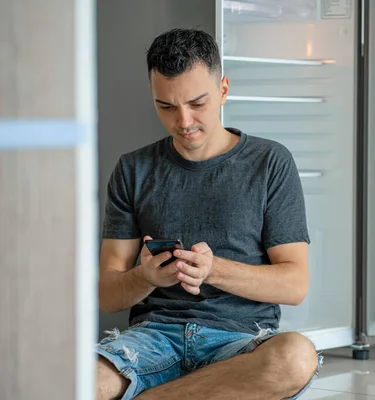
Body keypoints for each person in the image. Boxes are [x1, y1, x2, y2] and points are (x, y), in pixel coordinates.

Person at [95, 28, 321, 400]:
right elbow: (108, 295)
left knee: (295, 357)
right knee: (75, 380)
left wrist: (213, 269)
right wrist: (145, 277)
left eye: (197, 103)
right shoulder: (132, 169)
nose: (183, 121)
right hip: (151, 342)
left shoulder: (270, 162)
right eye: (166, 106)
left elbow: (294, 285)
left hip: (240, 344)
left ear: (224, 90)